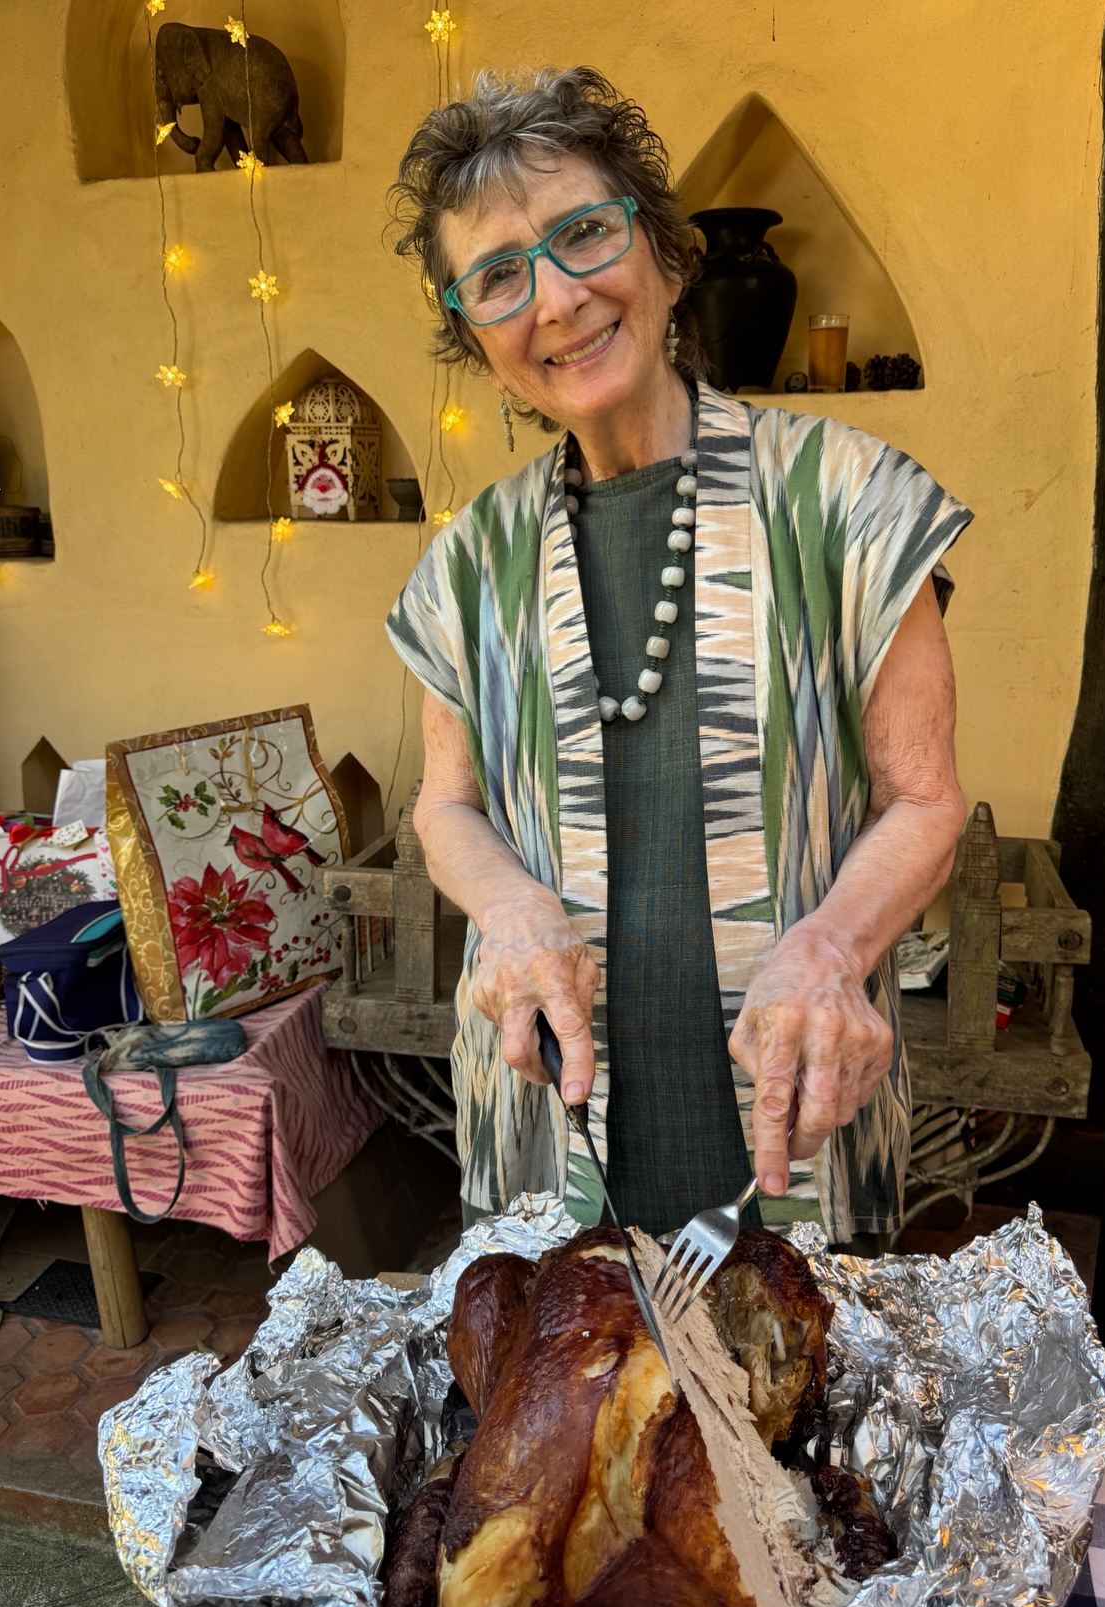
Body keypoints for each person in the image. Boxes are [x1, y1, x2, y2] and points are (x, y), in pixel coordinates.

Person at [385, 67, 970, 1245]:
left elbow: (923, 797)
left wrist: (832, 947)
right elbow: (444, 805)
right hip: (547, 1120)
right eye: (497, 276)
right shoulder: (467, 562)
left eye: (583, 234)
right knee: (561, 1357)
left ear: (664, 256)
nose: (555, 299)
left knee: (788, 1351)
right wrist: (507, 905)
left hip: (799, 1110)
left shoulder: (855, 501)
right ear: (476, 340)